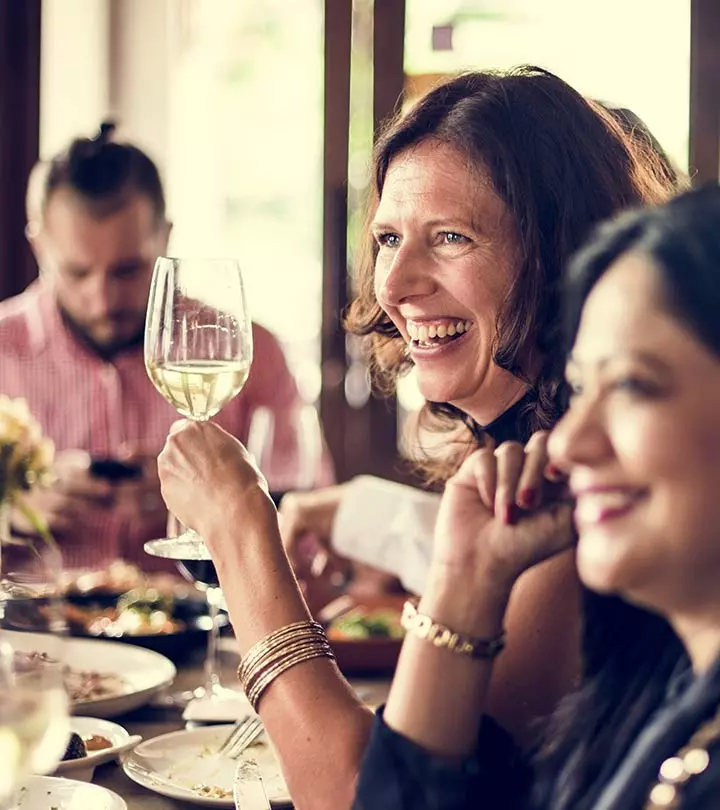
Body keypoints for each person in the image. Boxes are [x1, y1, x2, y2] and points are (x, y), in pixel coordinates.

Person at [156, 67, 678, 810]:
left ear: (560, 255)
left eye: (452, 238)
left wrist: (242, 527)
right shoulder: (511, 457)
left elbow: (355, 796)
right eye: (389, 238)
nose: (395, 282)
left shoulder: (581, 500)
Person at [354, 184, 720, 809]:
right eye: (582, 384)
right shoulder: (654, 696)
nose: (571, 441)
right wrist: (466, 577)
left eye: (632, 384)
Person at [0, 123, 332, 571]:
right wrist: (12, 510)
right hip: (37, 635)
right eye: (77, 273)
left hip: (199, 630)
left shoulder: (247, 351)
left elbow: (311, 529)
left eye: (127, 270)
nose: (103, 301)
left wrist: (209, 506)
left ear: (166, 237)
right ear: (40, 245)